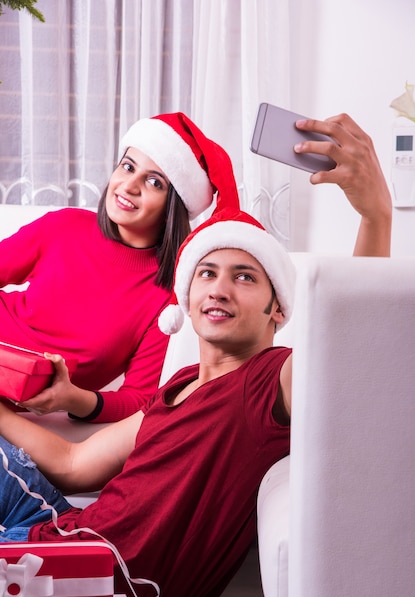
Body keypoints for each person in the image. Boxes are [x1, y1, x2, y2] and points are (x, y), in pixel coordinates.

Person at [0, 113, 392, 597]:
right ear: (187, 296)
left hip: (91, 578)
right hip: (53, 530)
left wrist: (376, 216)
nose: (219, 288)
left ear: (277, 310)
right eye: (207, 272)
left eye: (244, 277)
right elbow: (76, 466)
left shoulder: (271, 381)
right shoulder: (178, 388)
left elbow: (354, 350)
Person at [0, 112, 240, 423]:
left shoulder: (168, 298)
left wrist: (73, 398)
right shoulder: (63, 226)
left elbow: (139, 398)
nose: (129, 185)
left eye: (154, 182)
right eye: (127, 167)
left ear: (173, 207)